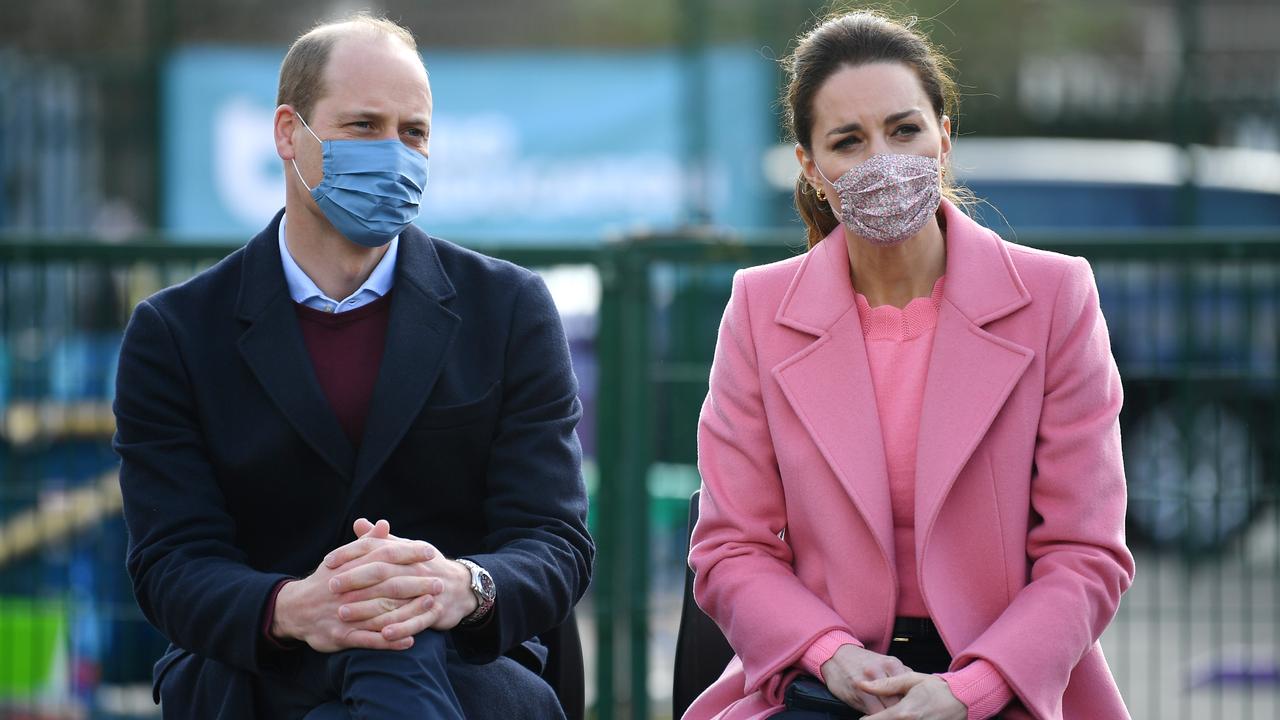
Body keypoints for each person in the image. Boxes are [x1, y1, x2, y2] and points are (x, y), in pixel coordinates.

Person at [113, 13, 593, 720]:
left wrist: (457, 587)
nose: (394, 153)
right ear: (287, 133)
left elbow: (554, 541)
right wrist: (295, 606)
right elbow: (170, 561)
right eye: (364, 126)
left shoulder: (509, 309)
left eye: (414, 133)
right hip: (257, 669)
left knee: (398, 659)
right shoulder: (176, 334)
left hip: (464, 665)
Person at [683, 10, 1134, 720]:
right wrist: (832, 656)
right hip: (818, 682)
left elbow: (1086, 554)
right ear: (810, 166)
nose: (882, 161)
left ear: (944, 138)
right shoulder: (757, 310)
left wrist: (969, 689)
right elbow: (731, 550)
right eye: (847, 141)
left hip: (1009, 689)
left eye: (904, 130)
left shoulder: (1055, 297)